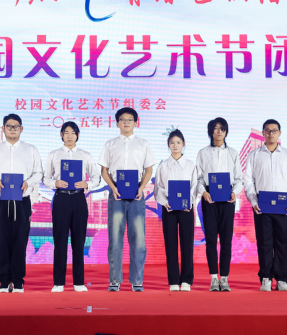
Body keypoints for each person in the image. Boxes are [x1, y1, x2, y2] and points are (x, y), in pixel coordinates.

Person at [0, 114, 43, 293]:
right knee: (1, 240)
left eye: (16, 126)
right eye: (9, 126)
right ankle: (3, 280)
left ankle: (17, 281)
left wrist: (28, 183)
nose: (12, 129)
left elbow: (38, 173)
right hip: (0, 201)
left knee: (20, 241)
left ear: (21, 129)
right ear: (3, 129)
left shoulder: (30, 149)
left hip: (22, 201)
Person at [99, 107, 157, 292]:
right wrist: (113, 187)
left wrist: (141, 188)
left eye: (130, 119)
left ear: (135, 123)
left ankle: (137, 280)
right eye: (122, 119)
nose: (126, 122)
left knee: (138, 238)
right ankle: (114, 280)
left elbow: (149, 170)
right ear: (117, 123)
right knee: (115, 238)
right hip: (116, 192)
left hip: (136, 193)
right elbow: (104, 171)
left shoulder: (143, 144)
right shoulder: (110, 144)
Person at [43, 121, 101, 293]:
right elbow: (45, 178)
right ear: (61, 135)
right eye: (66, 133)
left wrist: (87, 184)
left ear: (78, 135)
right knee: (60, 241)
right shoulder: (53, 154)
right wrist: (54, 183)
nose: (69, 136)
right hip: (60, 198)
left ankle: (79, 282)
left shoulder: (85, 155)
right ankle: (58, 282)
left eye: (73, 133)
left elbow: (97, 178)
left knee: (79, 241)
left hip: (79, 199)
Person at [244, 119, 287, 292]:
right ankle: (266, 278)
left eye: (274, 131)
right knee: (264, 243)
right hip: (262, 206)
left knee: (281, 243)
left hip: (283, 206)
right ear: (263, 133)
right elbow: (249, 181)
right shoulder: (254, 155)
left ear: (279, 133)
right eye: (268, 130)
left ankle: (281, 278)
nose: (271, 133)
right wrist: (254, 202)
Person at [195, 117, 243, 292]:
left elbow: (239, 179)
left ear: (226, 131)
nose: (219, 132)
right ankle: (214, 278)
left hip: (228, 199)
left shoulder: (233, 153)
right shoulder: (203, 153)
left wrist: (234, 192)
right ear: (210, 132)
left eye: (222, 128)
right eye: (215, 128)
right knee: (210, 239)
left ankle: (225, 278)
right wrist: (204, 192)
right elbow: (199, 178)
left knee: (226, 240)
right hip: (209, 198)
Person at [154, 130, 198, 292]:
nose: (175, 146)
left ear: (183, 144)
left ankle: (186, 280)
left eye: (178, 142)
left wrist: (190, 201)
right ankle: (173, 280)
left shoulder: (191, 165)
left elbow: (194, 186)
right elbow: (158, 188)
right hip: (169, 208)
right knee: (170, 244)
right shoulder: (163, 165)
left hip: (186, 209)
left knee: (187, 244)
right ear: (168, 145)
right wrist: (165, 202)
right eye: (172, 143)